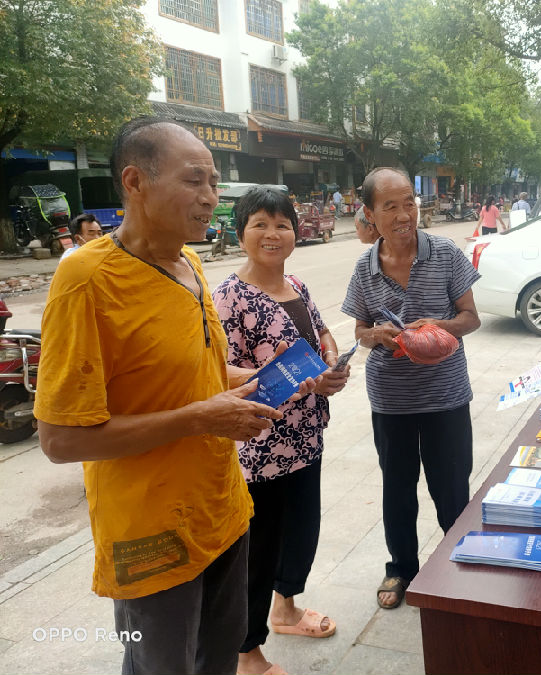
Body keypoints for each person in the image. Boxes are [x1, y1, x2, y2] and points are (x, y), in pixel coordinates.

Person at [33, 117, 318, 675]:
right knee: (162, 665)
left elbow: (198, 371)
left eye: (213, 182)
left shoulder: (188, 265)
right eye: (194, 181)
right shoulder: (87, 280)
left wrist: (256, 379)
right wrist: (199, 418)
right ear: (135, 182)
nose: (210, 197)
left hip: (224, 511)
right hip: (151, 535)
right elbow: (61, 439)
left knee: (219, 657)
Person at [213, 187, 349, 675]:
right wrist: (272, 376)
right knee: (258, 550)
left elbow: (321, 333)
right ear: (241, 231)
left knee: (300, 533)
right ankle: (247, 653)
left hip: (306, 436)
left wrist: (331, 363)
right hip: (261, 448)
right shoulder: (228, 297)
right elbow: (212, 368)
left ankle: (286, 608)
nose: (273, 234)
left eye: (283, 224)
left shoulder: (296, 284)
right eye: (260, 224)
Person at [341, 167, 481, 610]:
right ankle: (401, 567)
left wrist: (434, 326)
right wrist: (377, 335)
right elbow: (360, 330)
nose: (404, 215)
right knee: (397, 487)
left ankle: (459, 562)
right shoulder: (364, 268)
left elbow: (471, 319)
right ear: (369, 213)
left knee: (452, 485)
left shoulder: (445, 253)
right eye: (391, 207)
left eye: (409, 203)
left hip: (445, 396)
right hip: (392, 400)